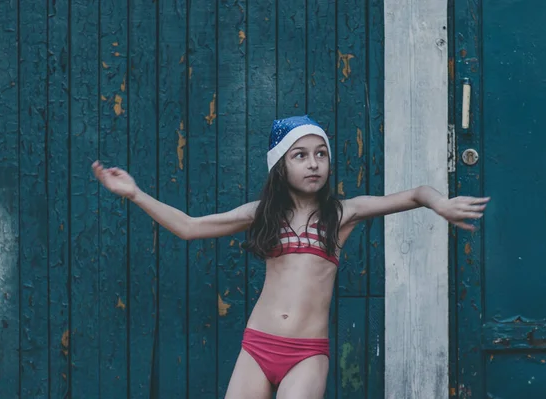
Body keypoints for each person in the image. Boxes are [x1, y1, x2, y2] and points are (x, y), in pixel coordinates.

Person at [92, 115, 490, 399]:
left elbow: (417, 192)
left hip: (306, 354)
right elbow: (189, 226)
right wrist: (135, 194)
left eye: (321, 153)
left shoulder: (342, 214)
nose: (313, 162)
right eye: (299, 155)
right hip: (257, 347)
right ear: (280, 166)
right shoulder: (260, 214)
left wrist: (441, 204)